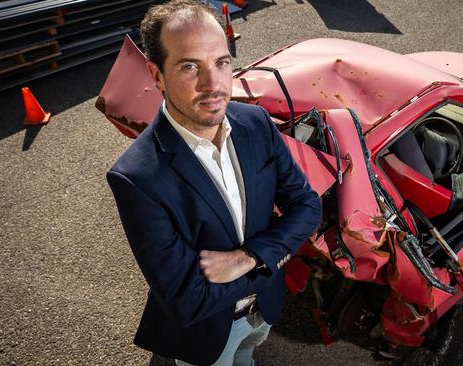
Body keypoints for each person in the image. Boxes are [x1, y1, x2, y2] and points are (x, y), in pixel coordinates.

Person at [106, 1, 321, 365]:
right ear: (156, 75)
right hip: (205, 333)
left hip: (262, 312)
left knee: (249, 354)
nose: (214, 84)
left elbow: (307, 206)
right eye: (190, 66)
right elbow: (186, 299)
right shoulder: (137, 177)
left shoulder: (256, 123)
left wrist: (247, 258)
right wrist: (269, 261)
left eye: (221, 62)